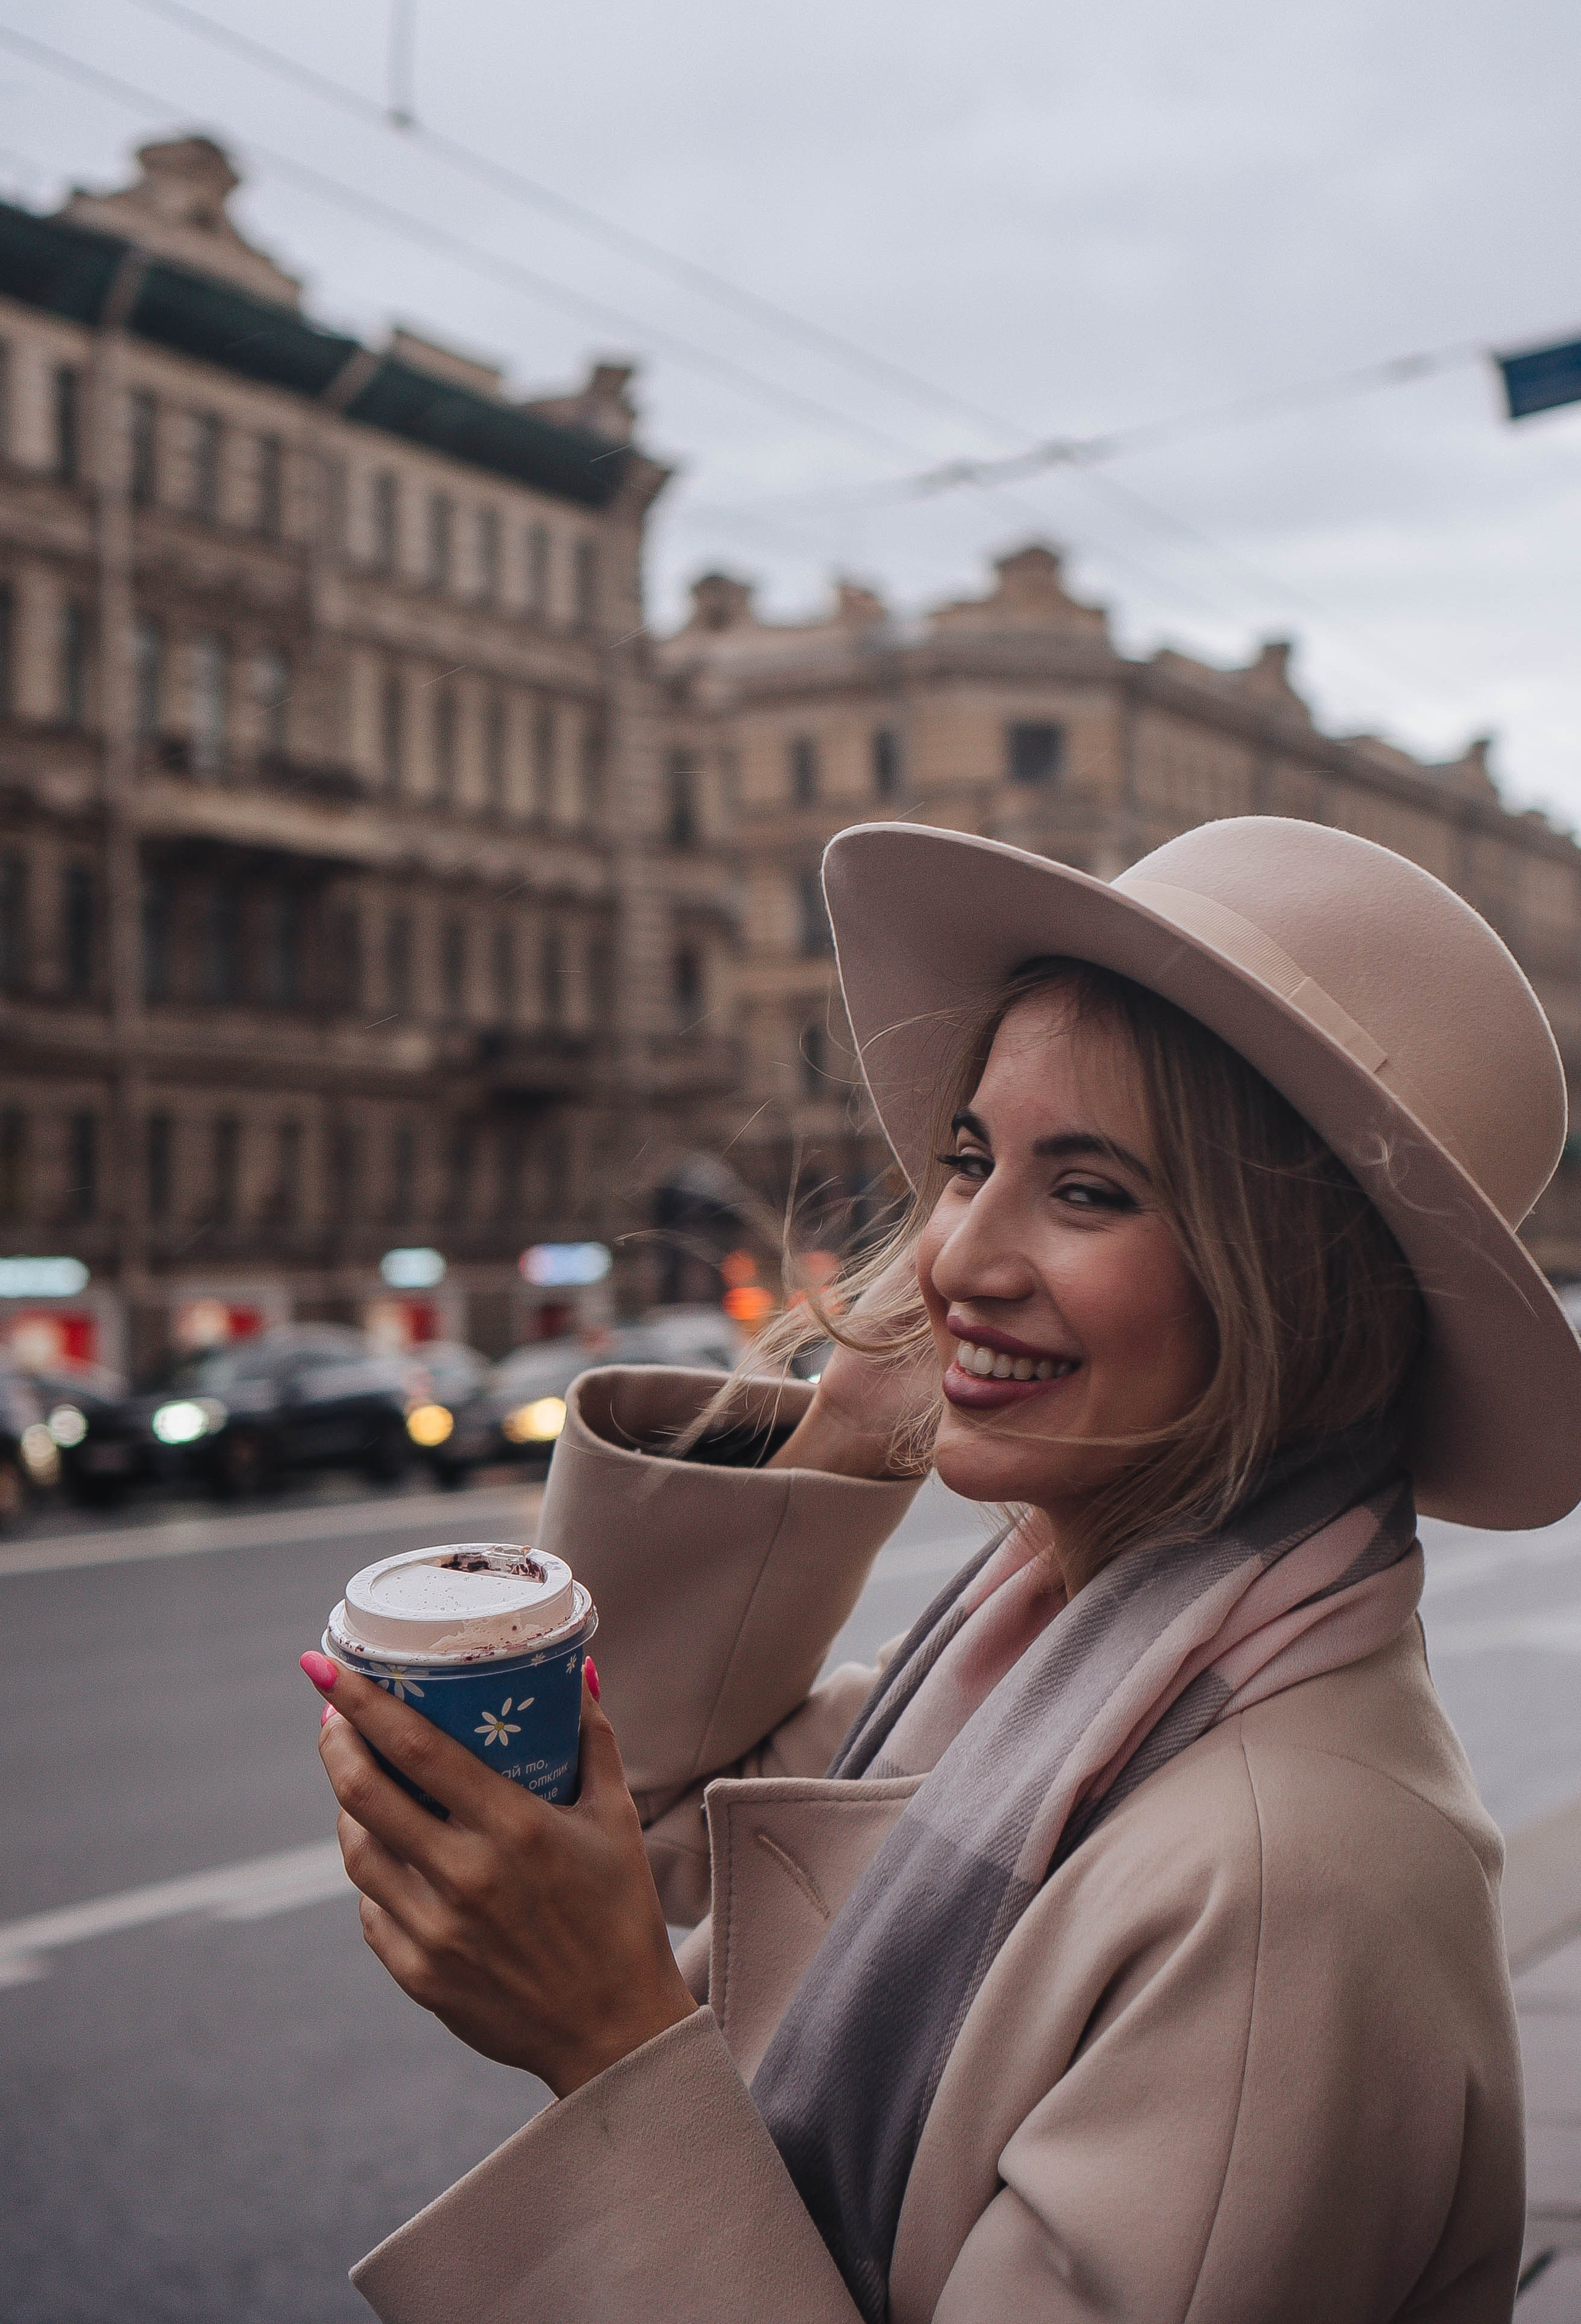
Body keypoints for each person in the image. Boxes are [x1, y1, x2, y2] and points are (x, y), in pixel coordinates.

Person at [308, 816, 1581, 2323]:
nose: (951, 1253)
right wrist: (848, 1429)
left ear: (1296, 1291)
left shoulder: (1288, 1882)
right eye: (967, 1161)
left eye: (1090, 1188)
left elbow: (628, 1881)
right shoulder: (1047, 1671)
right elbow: (632, 1796)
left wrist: (608, 2048)